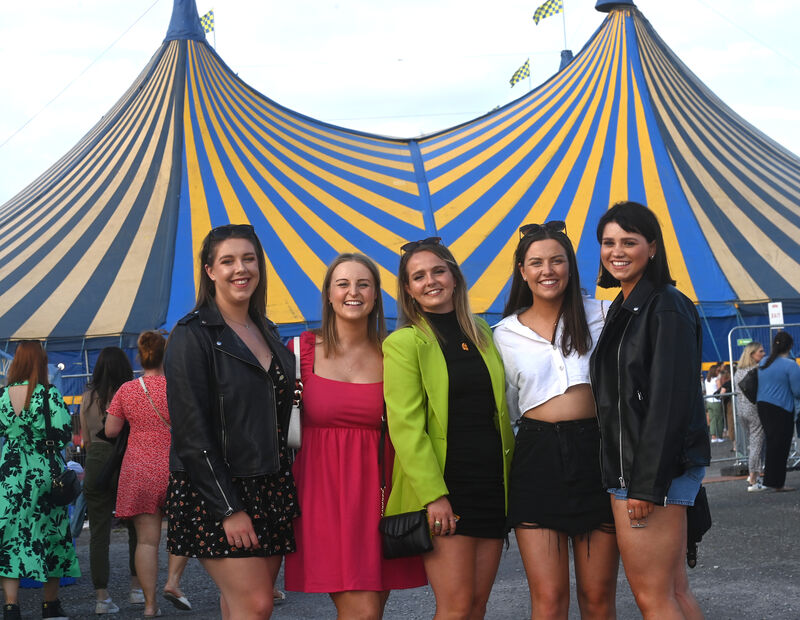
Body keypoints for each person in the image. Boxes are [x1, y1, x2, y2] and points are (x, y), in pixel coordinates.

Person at [164, 223, 299, 619]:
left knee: (241, 606)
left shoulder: (269, 332)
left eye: (248, 258)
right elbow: (191, 433)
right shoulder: (192, 334)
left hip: (271, 485)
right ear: (210, 271)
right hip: (219, 489)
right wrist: (228, 507)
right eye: (227, 261)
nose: (240, 269)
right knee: (255, 604)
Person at [284, 253, 427, 617]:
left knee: (371, 609)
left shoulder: (395, 352)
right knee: (363, 610)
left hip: (380, 496)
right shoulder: (299, 351)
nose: (354, 292)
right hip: (321, 495)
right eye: (343, 284)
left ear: (377, 295)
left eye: (364, 284)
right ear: (329, 294)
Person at [382, 237, 515, 619]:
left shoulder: (483, 334)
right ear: (408, 290)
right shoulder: (403, 343)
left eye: (438, 270)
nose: (430, 281)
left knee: (476, 606)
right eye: (418, 276)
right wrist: (434, 496)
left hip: (491, 486)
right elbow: (405, 428)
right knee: (455, 607)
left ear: (454, 277)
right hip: (446, 489)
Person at [590, 201, 710, 619]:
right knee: (672, 591)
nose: (616, 251)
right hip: (641, 469)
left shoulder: (666, 306)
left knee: (653, 597)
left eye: (629, 241)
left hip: (646, 474)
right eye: (608, 242)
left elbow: (669, 403)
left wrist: (644, 484)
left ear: (653, 248)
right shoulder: (627, 308)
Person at [493, 221, 618, 619]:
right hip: (537, 458)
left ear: (570, 266)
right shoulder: (502, 334)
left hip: (596, 454)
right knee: (549, 600)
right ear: (522, 270)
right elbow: (508, 405)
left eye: (557, 261)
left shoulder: (603, 314)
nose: (547, 270)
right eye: (536, 262)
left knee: (598, 599)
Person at [105, 331, 190, 617]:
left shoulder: (127, 390)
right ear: (167, 355)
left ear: (140, 356)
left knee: (146, 541)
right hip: (175, 466)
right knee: (182, 532)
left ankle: (150, 605)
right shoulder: (179, 387)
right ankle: (172, 582)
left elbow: (110, 431)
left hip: (139, 469)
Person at [0, 341, 80, 620]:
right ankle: (50, 606)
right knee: (52, 536)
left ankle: (11, 607)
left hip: (10, 473)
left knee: (10, 538)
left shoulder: (2, 396)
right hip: (44, 471)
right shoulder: (50, 395)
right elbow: (64, 433)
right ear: (41, 363)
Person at [79, 347, 142, 614]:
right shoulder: (130, 393)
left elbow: (86, 440)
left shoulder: (87, 398)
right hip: (126, 459)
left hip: (96, 462)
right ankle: (137, 589)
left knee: (98, 533)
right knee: (137, 529)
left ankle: (101, 597)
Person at [755, 331, 800, 492]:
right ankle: (777, 483)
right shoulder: (791, 365)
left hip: (763, 406)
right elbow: (797, 391)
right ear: (790, 346)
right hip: (782, 408)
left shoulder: (764, 362)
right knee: (781, 446)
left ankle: (770, 479)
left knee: (772, 444)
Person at [734, 342, 766, 490]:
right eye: (761, 351)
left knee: (751, 443)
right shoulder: (757, 370)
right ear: (752, 354)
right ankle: (753, 477)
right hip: (755, 409)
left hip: (741, 409)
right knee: (756, 444)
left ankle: (752, 474)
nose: (764, 354)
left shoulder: (738, 371)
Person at [705, 364, 724, 443]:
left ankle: (713, 436)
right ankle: (718, 436)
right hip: (716, 401)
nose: (719, 372)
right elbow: (720, 389)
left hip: (708, 401)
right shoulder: (716, 379)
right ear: (714, 371)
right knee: (719, 419)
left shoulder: (707, 380)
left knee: (712, 419)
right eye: (718, 371)